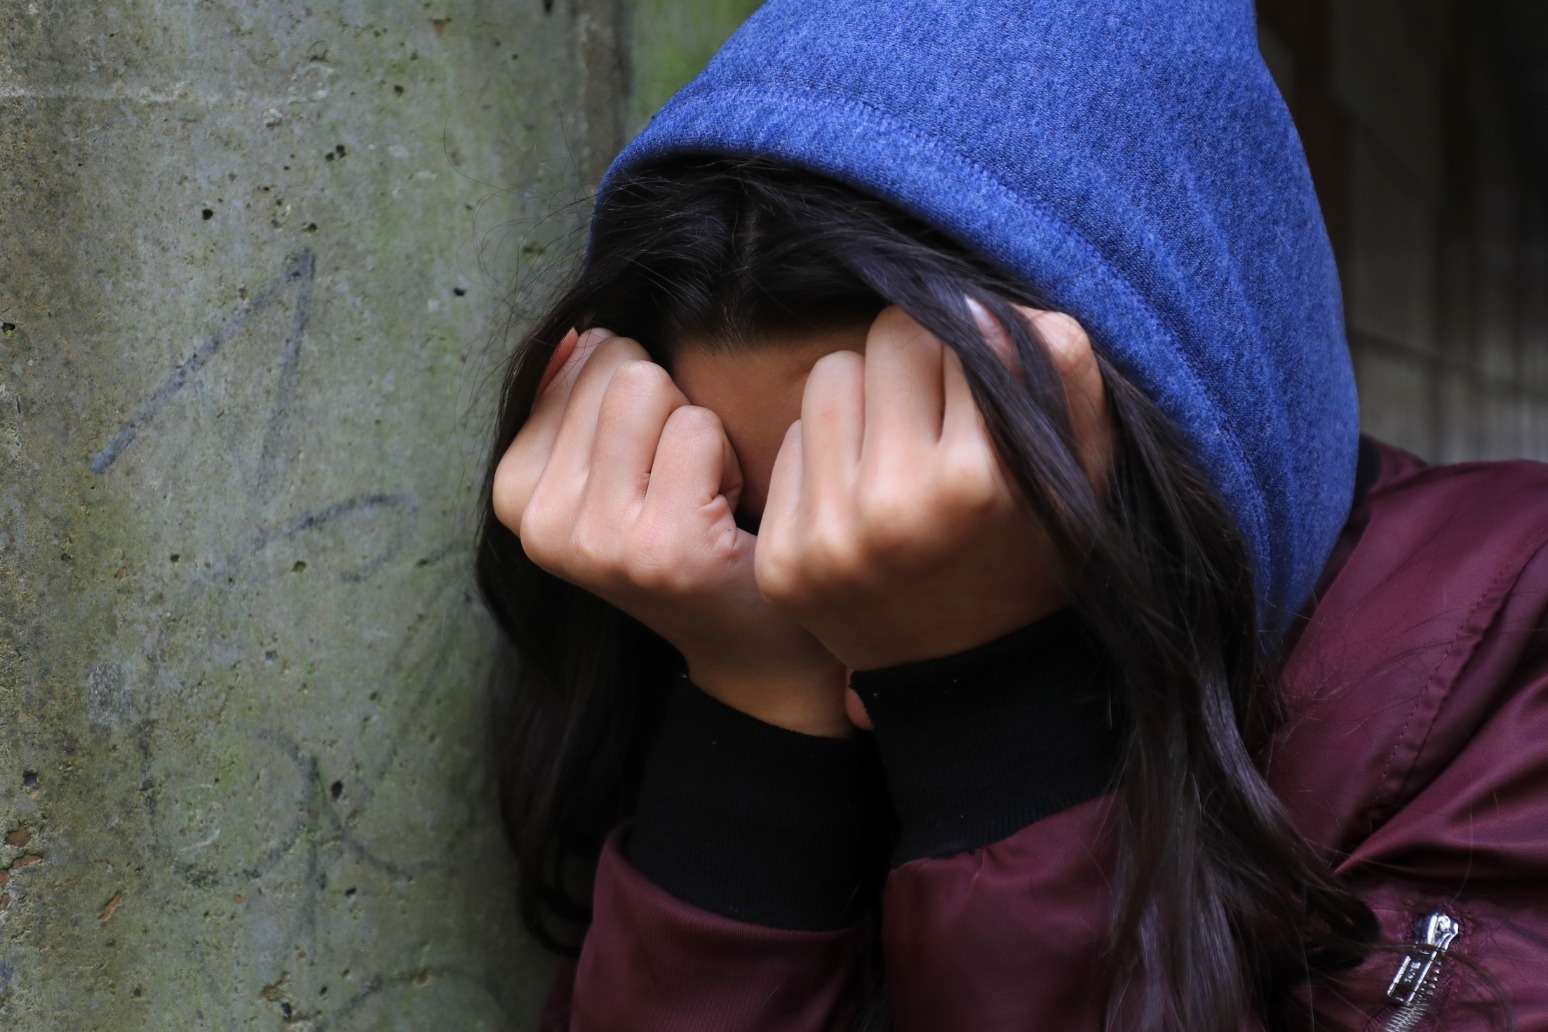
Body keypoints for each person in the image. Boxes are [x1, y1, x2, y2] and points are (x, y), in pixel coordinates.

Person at [473, 1, 1548, 1029]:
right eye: (759, 524)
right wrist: (750, 737)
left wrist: (993, 715)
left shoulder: (1514, 660)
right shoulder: (735, 674)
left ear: (1180, 436)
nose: (834, 581)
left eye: (953, 520)